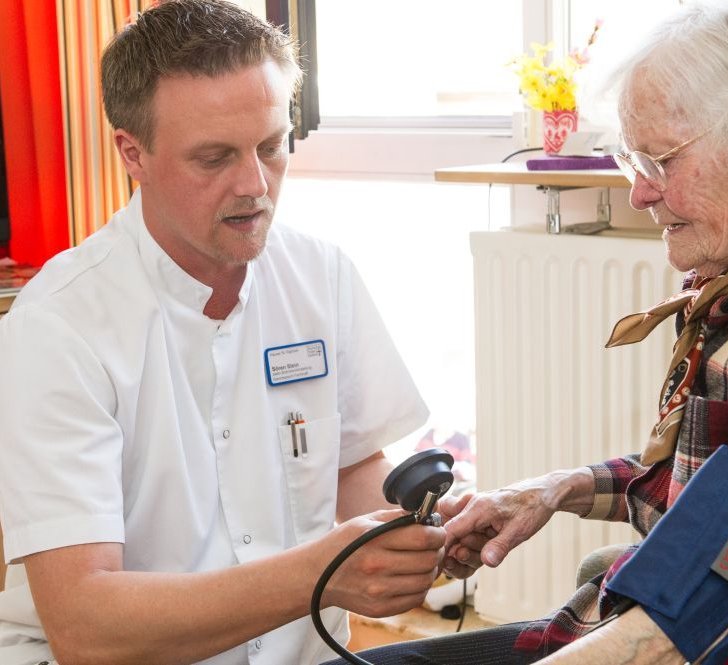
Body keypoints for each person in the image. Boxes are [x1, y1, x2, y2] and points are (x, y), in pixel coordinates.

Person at [323, 1, 728, 664]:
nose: (640, 193)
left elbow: (686, 610)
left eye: (661, 159)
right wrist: (552, 489)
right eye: (632, 160)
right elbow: (708, 493)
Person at [0, 1, 446, 664]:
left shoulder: (320, 274)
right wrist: (323, 572)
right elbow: (85, 625)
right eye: (214, 158)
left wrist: (421, 530)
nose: (255, 184)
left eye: (271, 146)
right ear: (133, 153)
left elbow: (354, 464)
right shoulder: (57, 326)